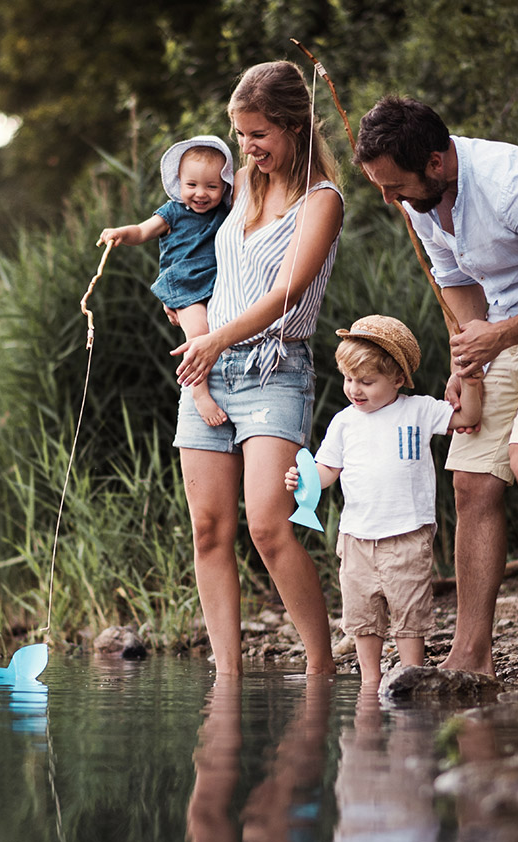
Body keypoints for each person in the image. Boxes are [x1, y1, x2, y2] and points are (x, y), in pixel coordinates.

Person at [354, 96, 518, 688]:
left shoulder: (515, 184)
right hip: (503, 332)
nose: (390, 199)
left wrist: (497, 335)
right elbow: (456, 283)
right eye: (381, 187)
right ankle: (471, 655)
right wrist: (467, 357)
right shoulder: (420, 202)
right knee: (472, 478)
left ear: (435, 161)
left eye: (395, 185)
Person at [170, 60, 345, 677]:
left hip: (276, 368)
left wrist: (214, 339)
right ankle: (227, 676)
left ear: (295, 127)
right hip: (209, 370)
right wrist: (196, 330)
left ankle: (322, 668)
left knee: (270, 527)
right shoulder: (239, 181)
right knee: (208, 530)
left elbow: (288, 295)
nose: (247, 148)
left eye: (259, 135)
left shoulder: (323, 201)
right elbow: (185, 257)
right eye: (242, 135)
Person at [284, 315, 482, 685]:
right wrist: (303, 479)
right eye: (349, 379)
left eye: (367, 381)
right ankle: (370, 683)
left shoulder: (418, 409)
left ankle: (410, 676)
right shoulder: (345, 422)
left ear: (398, 379)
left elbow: (468, 415)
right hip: (357, 537)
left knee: (410, 613)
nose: (354, 389)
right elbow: (327, 470)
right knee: (362, 617)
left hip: (407, 534)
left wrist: (470, 379)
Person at [100, 136, 237, 425]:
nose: (201, 194)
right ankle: (199, 393)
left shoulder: (226, 213)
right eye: (192, 185)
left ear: (224, 185)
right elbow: (141, 231)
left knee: (221, 331)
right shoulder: (173, 211)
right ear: (179, 182)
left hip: (216, 285)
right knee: (199, 334)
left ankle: (226, 383)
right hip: (184, 285)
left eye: (211, 186)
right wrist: (120, 234)